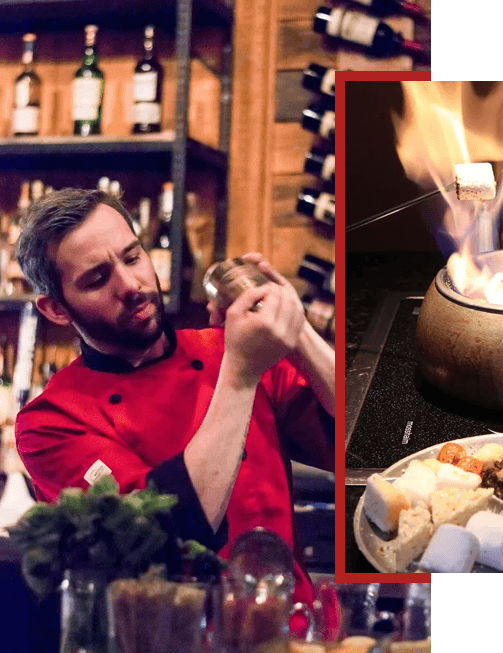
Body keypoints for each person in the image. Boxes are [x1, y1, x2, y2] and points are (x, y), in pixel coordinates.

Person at [13, 188, 335, 609]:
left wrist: (299, 331)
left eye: (132, 258)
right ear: (56, 309)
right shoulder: (51, 421)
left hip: (293, 627)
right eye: (97, 279)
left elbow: (352, 442)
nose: (131, 285)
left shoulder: (227, 348)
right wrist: (239, 377)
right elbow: (166, 531)